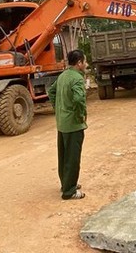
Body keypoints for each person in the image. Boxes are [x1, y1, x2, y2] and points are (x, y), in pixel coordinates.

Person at [48, 49, 88, 200]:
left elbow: (51, 92)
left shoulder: (63, 75)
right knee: (72, 158)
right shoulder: (77, 78)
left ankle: (66, 183)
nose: (86, 64)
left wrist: (58, 109)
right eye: (85, 61)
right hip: (73, 125)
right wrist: (79, 116)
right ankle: (69, 191)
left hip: (62, 123)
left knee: (64, 156)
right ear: (79, 63)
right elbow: (78, 100)